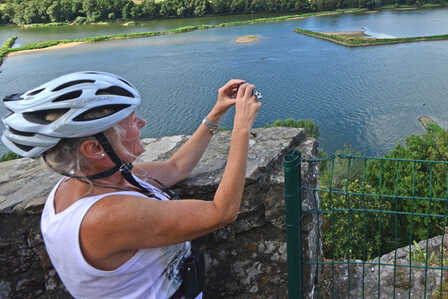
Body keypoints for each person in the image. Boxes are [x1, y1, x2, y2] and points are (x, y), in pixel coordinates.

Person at [1, 71, 261, 299]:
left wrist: (216, 113)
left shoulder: (85, 181)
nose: (141, 123)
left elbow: (176, 168)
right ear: (93, 149)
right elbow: (221, 212)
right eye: (129, 121)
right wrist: (241, 129)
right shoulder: (107, 216)